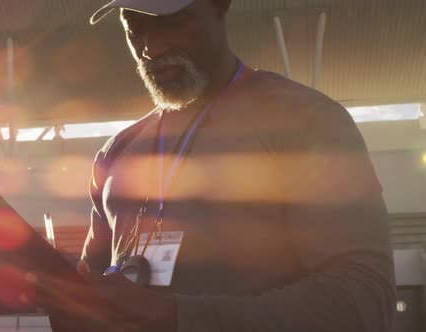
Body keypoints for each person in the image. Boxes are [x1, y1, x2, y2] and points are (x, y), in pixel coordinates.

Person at [48, 0, 396, 331]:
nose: (151, 49)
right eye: (134, 29)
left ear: (220, 4)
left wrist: (177, 318)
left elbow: (364, 301)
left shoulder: (305, 121)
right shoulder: (116, 151)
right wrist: (67, 301)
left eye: (171, 21)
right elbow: (94, 291)